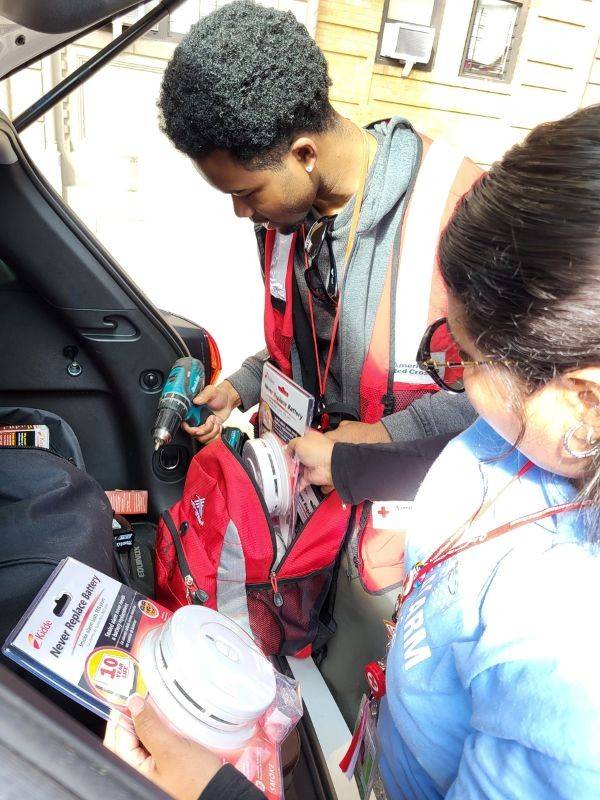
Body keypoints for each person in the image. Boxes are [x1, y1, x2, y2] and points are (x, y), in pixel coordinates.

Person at [107, 107, 600, 798]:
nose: (445, 368)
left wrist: (210, 790)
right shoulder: (535, 440)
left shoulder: (566, 653)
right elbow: (475, 443)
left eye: (463, 359)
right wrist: (344, 461)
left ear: (582, 399)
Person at [157, 0, 480, 449]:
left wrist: (364, 446)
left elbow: (511, 392)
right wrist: (240, 387)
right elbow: (306, 348)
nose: (241, 212)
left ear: (304, 154)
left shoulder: (463, 208)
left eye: (246, 193)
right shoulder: (288, 217)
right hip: (302, 494)